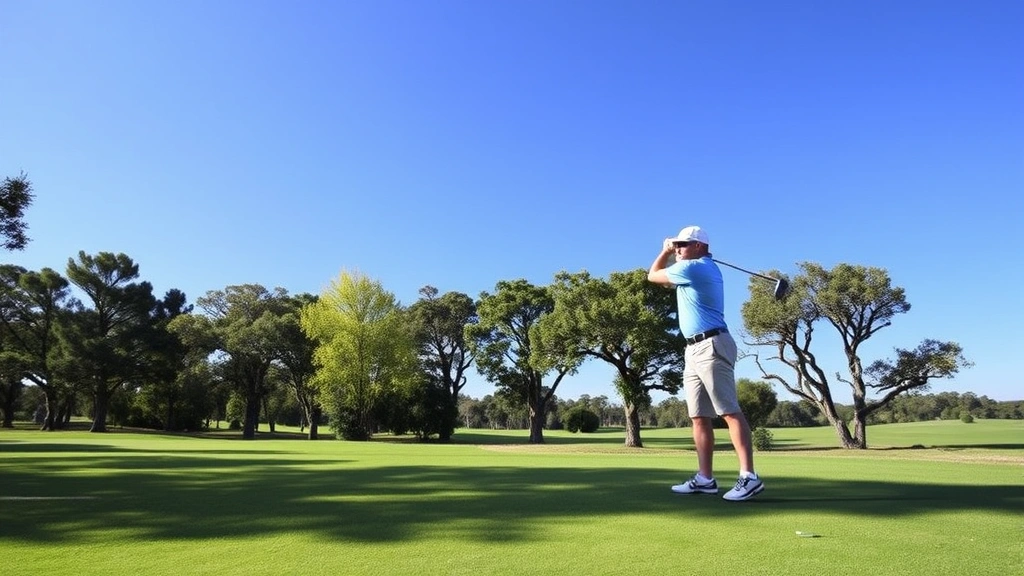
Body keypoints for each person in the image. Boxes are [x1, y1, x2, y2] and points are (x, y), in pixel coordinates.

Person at [647, 225, 764, 502]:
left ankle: (749, 477)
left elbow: (653, 276)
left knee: (728, 411)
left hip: (711, 344)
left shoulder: (695, 268)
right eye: (676, 245)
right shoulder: (691, 270)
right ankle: (705, 479)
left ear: (699, 246)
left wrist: (663, 251)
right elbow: (664, 282)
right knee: (698, 415)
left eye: (682, 245)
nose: (678, 249)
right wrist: (672, 252)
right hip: (693, 348)